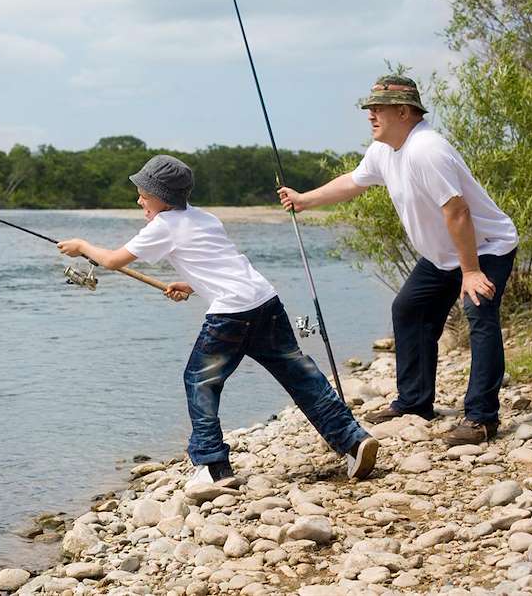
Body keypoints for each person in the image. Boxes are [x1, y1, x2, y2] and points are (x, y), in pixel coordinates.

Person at [57, 154, 379, 483]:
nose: (139, 199)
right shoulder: (206, 218)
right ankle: (353, 441)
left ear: (162, 198)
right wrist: (193, 286)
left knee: (200, 381)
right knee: (299, 375)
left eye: (144, 193)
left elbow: (111, 261)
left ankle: (212, 466)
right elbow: (222, 266)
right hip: (264, 301)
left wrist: (82, 245)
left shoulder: (163, 225)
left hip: (231, 314)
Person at [278, 75, 518, 446]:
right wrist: (305, 199)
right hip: (443, 256)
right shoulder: (385, 150)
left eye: (378, 108)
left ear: (404, 111)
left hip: (484, 248)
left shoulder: (427, 150)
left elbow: (458, 212)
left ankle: (482, 419)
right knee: (409, 309)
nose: (370, 114)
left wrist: (470, 272)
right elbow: (353, 182)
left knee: (479, 316)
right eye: (369, 108)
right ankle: (414, 403)